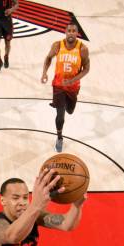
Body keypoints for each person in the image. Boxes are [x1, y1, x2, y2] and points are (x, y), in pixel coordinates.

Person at [41, 22, 90, 152]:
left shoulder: (82, 49)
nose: (71, 33)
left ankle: (66, 106)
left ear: (77, 33)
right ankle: (59, 137)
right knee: (60, 115)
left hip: (73, 87)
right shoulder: (57, 45)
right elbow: (48, 58)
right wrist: (44, 73)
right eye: (69, 30)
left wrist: (72, 80)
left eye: (74, 31)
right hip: (58, 85)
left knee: (70, 111)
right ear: (65, 31)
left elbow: (86, 69)